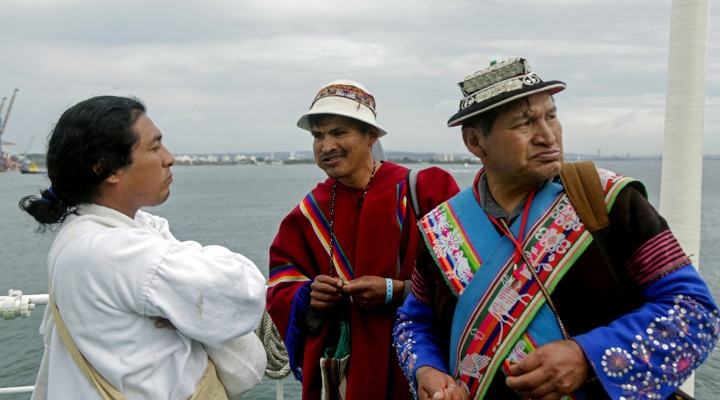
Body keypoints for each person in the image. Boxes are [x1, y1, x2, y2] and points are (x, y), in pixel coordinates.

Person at [393, 58, 720, 400]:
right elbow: (413, 322)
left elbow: (694, 312)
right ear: (476, 142)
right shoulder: (442, 230)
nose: (547, 136)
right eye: (524, 123)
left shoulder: (609, 202)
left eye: (551, 116)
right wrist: (426, 369)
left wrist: (587, 356)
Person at [19, 95, 267, 399]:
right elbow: (242, 289)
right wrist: (182, 307)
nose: (169, 157)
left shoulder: (84, 234)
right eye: (154, 147)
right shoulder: (115, 251)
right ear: (107, 170)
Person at [266, 79, 460, 400]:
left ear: (372, 136)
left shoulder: (426, 191)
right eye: (318, 135)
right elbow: (280, 287)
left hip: (422, 366)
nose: (326, 146)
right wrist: (309, 294)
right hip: (346, 374)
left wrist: (397, 291)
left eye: (339, 132)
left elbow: (469, 281)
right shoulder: (307, 213)